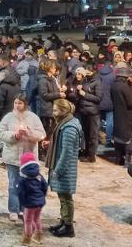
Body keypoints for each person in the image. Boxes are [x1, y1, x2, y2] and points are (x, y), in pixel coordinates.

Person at [0, 94, 46, 222]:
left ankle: (24, 209)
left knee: (28, 185)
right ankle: (13, 209)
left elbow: (42, 134)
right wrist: (14, 135)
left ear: (25, 104)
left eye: (20, 103)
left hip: (28, 159)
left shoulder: (34, 118)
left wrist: (30, 134)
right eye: (15, 103)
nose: (17, 105)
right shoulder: (8, 117)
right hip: (12, 157)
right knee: (13, 184)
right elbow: (0, 132)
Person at [45, 99, 82, 238]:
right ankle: (63, 221)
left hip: (65, 169)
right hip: (62, 167)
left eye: (55, 110)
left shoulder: (69, 128)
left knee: (66, 198)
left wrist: (57, 170)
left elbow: (67, 153)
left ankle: (68, 227)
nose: (53, 113)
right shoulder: (63, 124)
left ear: (63, 111)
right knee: (62, 196)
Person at [17, 151, 48, 244]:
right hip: (40, 202)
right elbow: (45, 186)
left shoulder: (22, 178)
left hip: (30, 204)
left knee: (28, 220)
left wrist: (23, 202)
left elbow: (20, 192)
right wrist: (42, 196)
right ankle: (39, 235)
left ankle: (27, 238)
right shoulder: (39, 175)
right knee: (37, 218)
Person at [111, 66, 132, 166]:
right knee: (130, 137)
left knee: (118, 137)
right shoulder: (124, 86)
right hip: (128, 116)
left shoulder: (114, 85)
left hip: (117, 114)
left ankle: (118, 159)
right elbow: (129, 103)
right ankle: (127, 160)